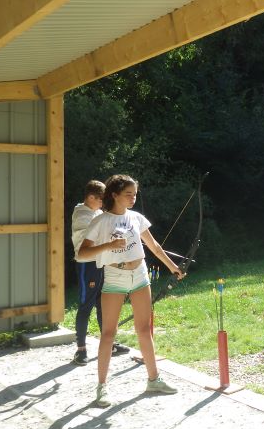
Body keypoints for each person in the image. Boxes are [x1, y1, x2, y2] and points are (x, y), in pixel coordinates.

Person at [78, 174, 184, 408]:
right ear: (114, 194)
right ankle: (102, 388)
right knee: (108, 334)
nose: (133, 197)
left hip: (140, 275)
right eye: (128, 194)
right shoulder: (101, 221)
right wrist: (108, 246)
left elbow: (154, 247)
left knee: (144, 329)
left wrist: (173, 267)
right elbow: (82, 254)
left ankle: (154, 379)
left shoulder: (136, 218)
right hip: (115, 277)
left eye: (135, 193)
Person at [71, 180, 130, 365]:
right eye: (100, 200)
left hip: (99, 263)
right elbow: (90, 242)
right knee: (85, 305)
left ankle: (109, 344)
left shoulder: (95, 212)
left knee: (102, 304)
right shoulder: (82, 215)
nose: (103, 203)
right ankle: (81, 350)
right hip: (87, 264)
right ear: (90, 197)